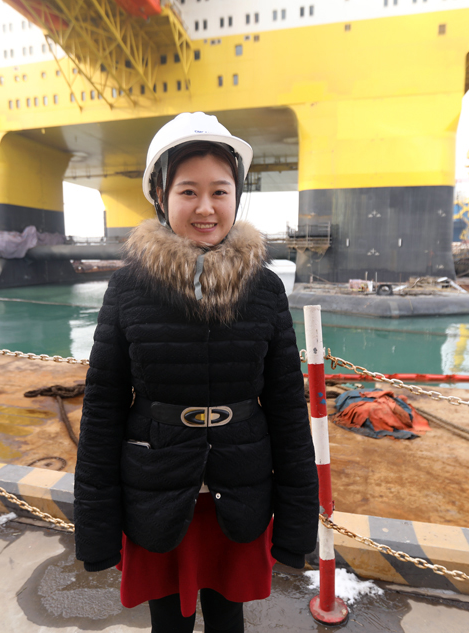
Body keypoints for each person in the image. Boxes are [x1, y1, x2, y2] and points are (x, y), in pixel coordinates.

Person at [74, 112, 319, 633]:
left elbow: (286, 408)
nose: (206, 207)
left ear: (237, 196)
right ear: (160, 197)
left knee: (230, 619)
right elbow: (103, 409)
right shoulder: (128, 289)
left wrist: (297, 524)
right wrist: (96, 527)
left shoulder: (265, 289)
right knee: (169, 621)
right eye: (188, 191)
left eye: (220, 191)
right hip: (156, 490)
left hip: (242, 490)